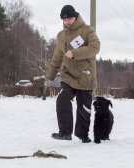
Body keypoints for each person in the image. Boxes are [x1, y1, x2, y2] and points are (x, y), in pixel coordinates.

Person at [47, 5, 100, 143]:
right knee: (62, 99)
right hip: (68, 75)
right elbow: (57, 57)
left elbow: (95, 47)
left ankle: (83, 135)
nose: (67, 22)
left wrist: (75, 53)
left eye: (69, 18)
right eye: (64, 19)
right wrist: (51, 75)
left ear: (75, 17)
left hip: (85, 76)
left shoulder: (88, 30)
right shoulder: (61, 36)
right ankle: (65, 132)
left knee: (84, 108)